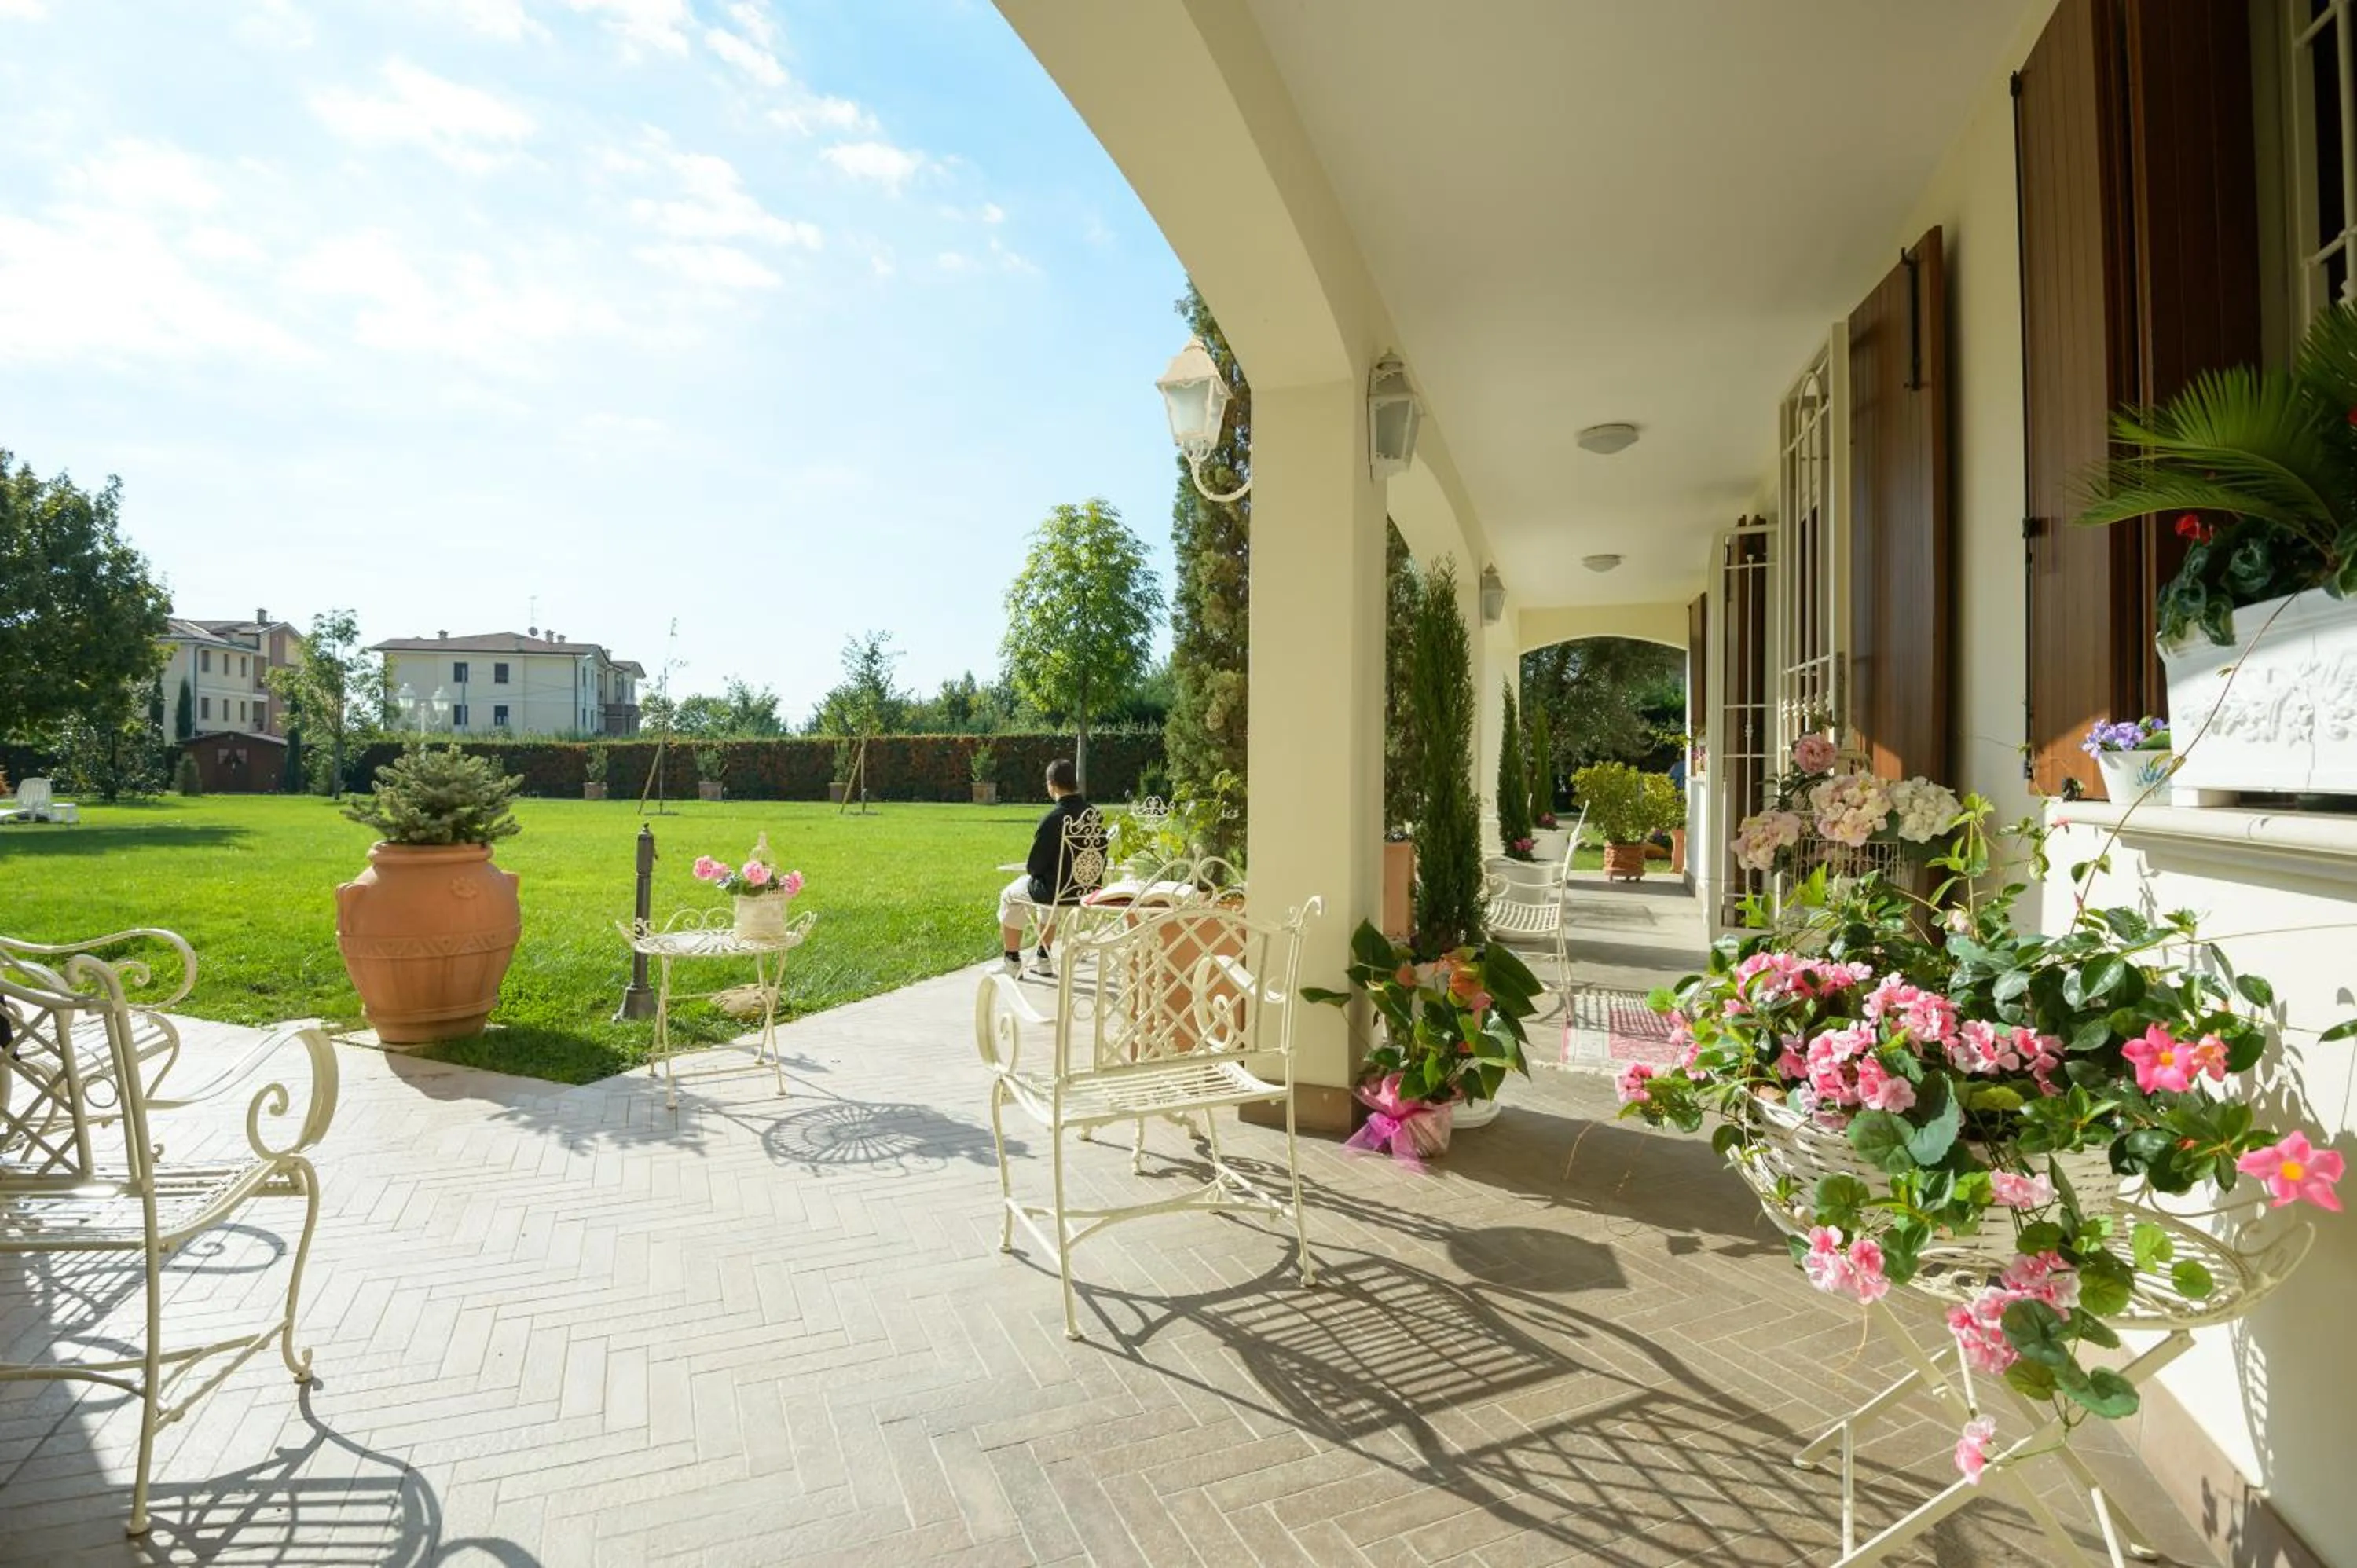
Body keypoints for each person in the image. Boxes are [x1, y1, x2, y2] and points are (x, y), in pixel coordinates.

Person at [997, 758, 1093, 977]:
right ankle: (1044, 958)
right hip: (1084, 890)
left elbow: (1034, 866)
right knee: (1048, 896)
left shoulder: (1053, 818)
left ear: (1051, 784)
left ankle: (1012, 961)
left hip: (1056, 891)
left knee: (1009, 895)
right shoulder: (1092, 814)